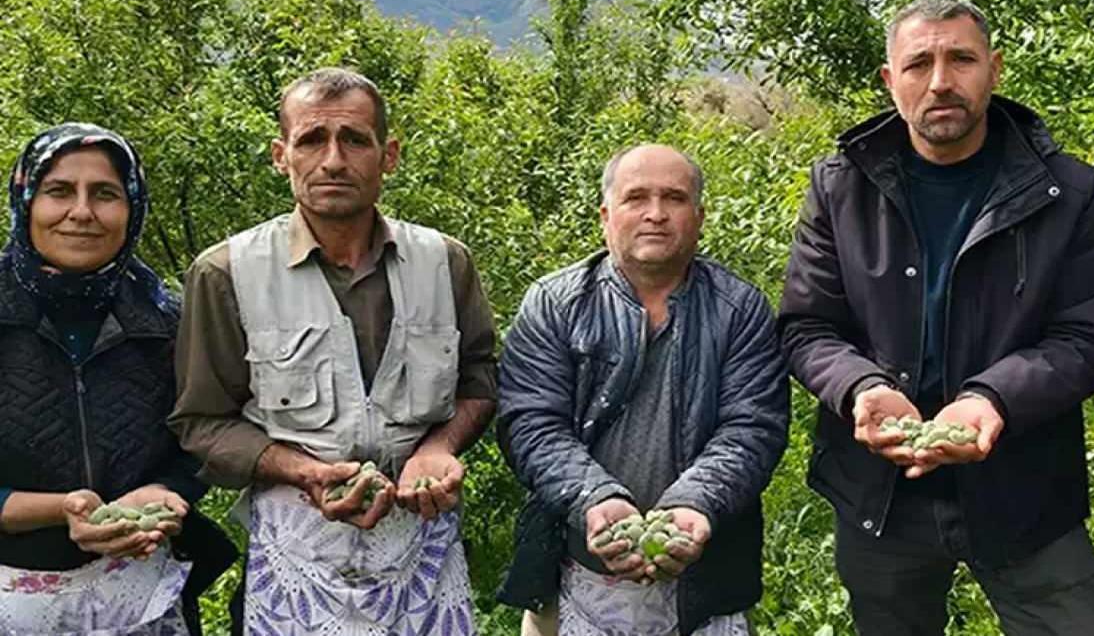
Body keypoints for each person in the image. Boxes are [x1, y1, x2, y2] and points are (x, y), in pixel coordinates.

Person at [779, 0, 1094, 636]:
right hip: (881, 491)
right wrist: (862, 387)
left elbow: (1083, 338)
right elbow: (807, 326)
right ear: (890, 80)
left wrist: (992, 398)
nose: (940, 81)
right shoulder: (840, 186)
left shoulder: (1067, 190)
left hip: (1024, 483)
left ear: (994, 69)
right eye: (919, 64)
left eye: (961, 59)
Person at [168, 68, 498, 634]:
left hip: (423, 554)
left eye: (355, 140)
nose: (334, 161)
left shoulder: (444, 262)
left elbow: (480, 379)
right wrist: (304, 472)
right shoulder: (227, 272)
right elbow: (201, 423)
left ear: (388, 155)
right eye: (312, 140)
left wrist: (438, 449)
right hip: (296, 554)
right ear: (281, 155)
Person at [495, 144, 790, 635]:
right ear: (605, 216)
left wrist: (693, 502)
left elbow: (752, 429)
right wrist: (594, 499)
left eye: (674, 198)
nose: (655, 213)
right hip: (571, 567)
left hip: (707, 575)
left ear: (699, 218)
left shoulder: (740, 311)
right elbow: (531, 423)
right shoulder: (554, 304)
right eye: (636, 198)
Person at [0, 123, 235, 634]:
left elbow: (206, 435)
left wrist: (165, 489)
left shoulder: (167, 323)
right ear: (26, 200)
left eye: (105, 194)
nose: (82, 212)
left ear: (132, 208)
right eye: (59, 191)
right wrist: (61, 509)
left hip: (145, 598)